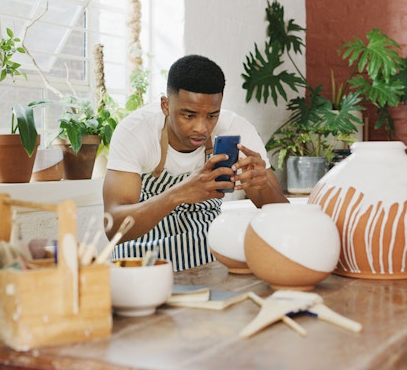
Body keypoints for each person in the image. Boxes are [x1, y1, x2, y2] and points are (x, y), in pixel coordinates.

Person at [103, 54, 288, 271]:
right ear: (165, 105)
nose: (201, 128)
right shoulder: (135, 131)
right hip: (141, 266)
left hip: (205, 264)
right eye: (188, 115)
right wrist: (177, 194)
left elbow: (283, 217)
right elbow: (114, 228)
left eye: (212, 116)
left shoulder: (237, 129)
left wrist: (262, 183)